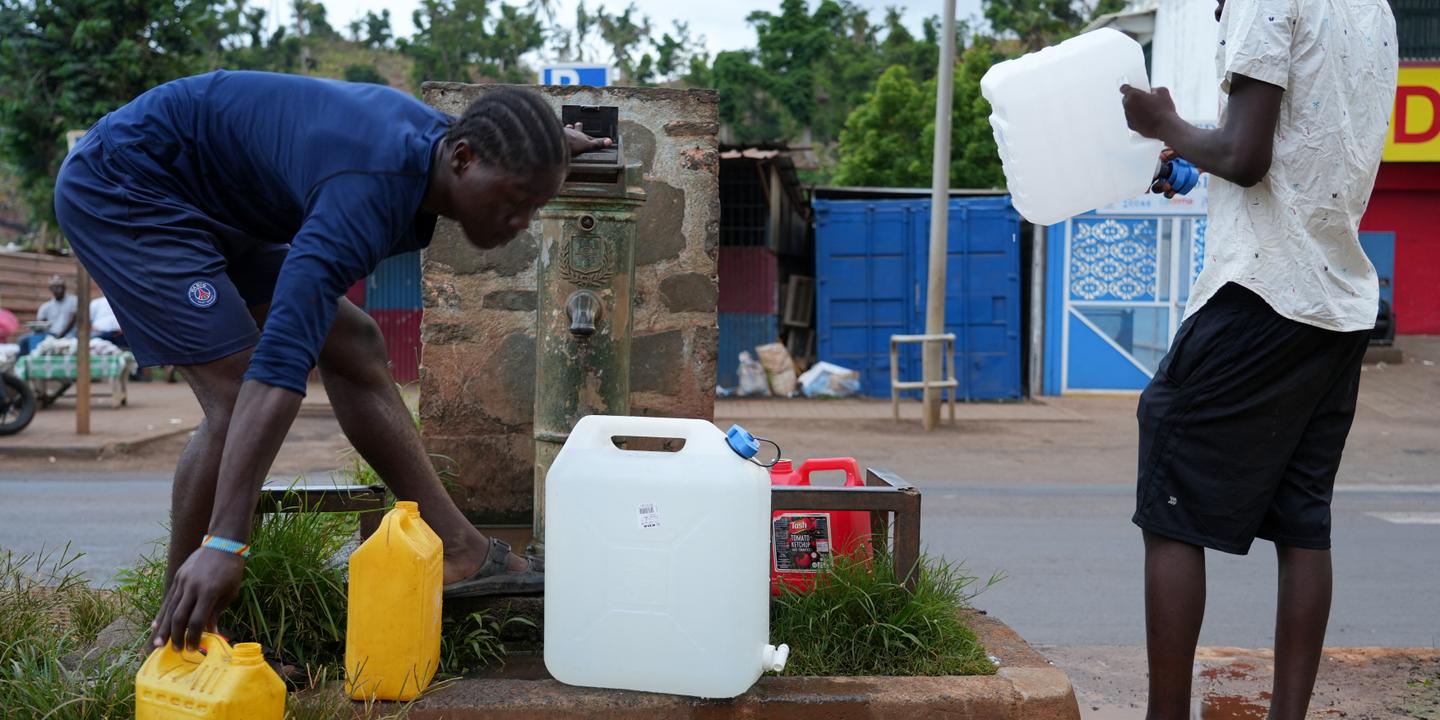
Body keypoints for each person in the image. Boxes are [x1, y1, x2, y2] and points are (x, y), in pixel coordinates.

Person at [53, 70, 610, 653]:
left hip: (219, 201)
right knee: (236, 394)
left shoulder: (452, 146)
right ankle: (184, 630)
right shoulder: (362, 193)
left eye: (534, 205)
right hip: (128, 188)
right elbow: (279, 366)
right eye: (516, 202)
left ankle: (459, 550)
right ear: (464, 160)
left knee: (355, 344)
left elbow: (487, 133)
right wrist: (226, 541)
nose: (521, 223)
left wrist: (552, 147)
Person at [1118, 0, 1398, 718]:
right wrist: (1193, 154)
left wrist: (1162, 123)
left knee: (1171, 488)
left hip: (1261, 287)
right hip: (1336, 301)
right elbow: (1303, 146)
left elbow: (1246, 158)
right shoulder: (1374, 8)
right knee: (1303, 520)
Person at [18, 275, 77, 355]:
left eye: (60, 286)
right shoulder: (46, 307)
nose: (59, 289)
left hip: (69, 336)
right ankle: (24, 362)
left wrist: (59, 336)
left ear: (64, 287)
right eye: (55, 287)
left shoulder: (73, 301)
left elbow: (72, 320)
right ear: (51, 289)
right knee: (23, 340)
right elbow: (41, 324)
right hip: (50, 335)